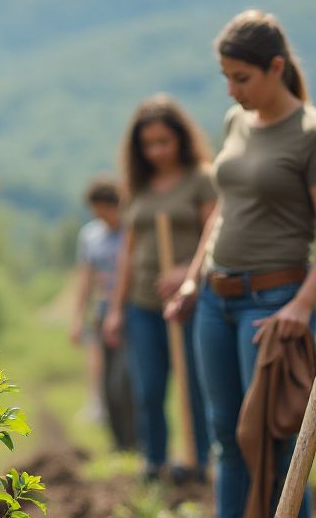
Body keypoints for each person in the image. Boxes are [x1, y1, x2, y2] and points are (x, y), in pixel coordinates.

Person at [166, 10, 316, 518]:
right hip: (217, 303)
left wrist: (301, 304)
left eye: (242, 77)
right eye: (226, 77)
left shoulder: (315, 137)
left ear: (276, 68)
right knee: (225, 432)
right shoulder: (234, 123)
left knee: (272, 434)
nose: (232, 90)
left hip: (272, 303)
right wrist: (195, 276)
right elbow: (224, 207)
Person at [103, 95, 216, 482]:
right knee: (148, 388)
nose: (157, 152)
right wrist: (116, 308)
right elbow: (127, 255)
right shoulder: (137, 188)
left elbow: (213, 236)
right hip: (144, 305)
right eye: (148, 144)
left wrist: (188, 273)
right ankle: (155, 462)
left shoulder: (202, 179)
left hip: (190, 302)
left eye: (164, 142)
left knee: (194, 386)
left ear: (181, 139)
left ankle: (199, 461)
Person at [69, 175, 136, 451]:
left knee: (127, 381)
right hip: (102, 312)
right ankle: (119, 443)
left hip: (132, 311)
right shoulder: (90, 235)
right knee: (108, 383)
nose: (102, 214)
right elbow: (85, 279)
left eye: (106, 207)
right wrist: (77, 318)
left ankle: (137, 441)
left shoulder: (131, 232)